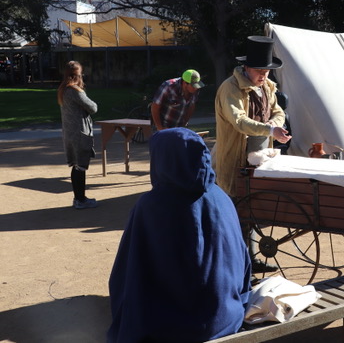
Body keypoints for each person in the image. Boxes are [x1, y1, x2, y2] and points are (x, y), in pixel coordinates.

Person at [107, 127, 252, 342]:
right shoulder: (221, 197)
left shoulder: (151, 206)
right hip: (224, 316)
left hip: (171, 328)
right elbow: (243, 263)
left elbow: (128, 271)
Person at [214, 35, 291, 197]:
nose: (263, 75)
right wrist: (270, 130)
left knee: (256, 198)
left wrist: (273, 123)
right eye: (259, 71)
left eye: (266, 71)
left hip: (259, 154)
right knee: (235, 197)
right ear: (247, 67)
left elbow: (278, 111)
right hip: (235, 153)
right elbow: (239, 121)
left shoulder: (267, 86)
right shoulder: (231, 88)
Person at [57, 60, 99, 209]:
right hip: (79, 133)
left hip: (70, 133)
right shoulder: (74, 91)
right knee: (80, 166)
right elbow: (93, 107)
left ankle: (79, 198)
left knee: (76, 166)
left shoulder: (63, 89)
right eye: (81, 74)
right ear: (77, 75)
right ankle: (80, 200)